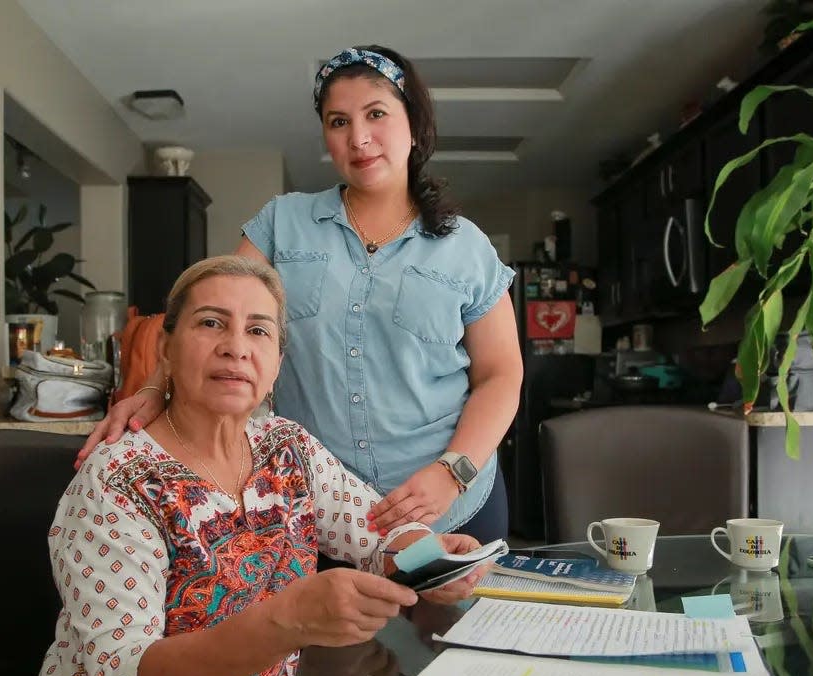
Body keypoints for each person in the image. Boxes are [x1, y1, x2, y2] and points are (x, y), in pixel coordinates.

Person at [10, 255, 486, 676]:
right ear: (166, 349)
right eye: (211, 323)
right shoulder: (118, 481)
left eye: (258, 330)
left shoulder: (286, 447)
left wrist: (431, 557)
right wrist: (288, 619)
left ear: (277, 361)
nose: (236, 346)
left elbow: (377, 531)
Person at [79, 45, 523, 546]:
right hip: (317, 510)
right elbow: (214, 316)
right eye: (338, 122)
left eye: (376, 114)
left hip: (453, 503)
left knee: (460, 627)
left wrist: (452, 472)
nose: (359, 137)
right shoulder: (281, 224)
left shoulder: (467, 248)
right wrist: (154, 388)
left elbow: (501, 374)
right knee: (327, 624)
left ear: (414, 124)